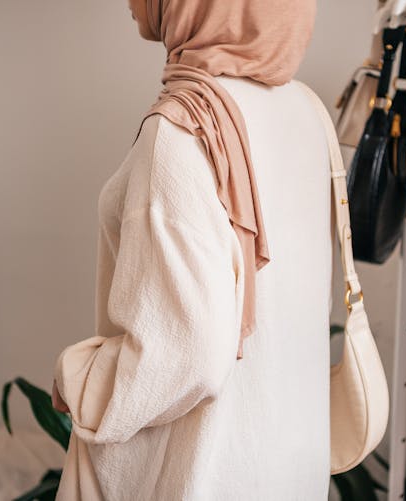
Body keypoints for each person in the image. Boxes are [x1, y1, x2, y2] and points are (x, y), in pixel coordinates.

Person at [50, 0, 334, 499]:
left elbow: (186, 355)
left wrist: (82, 381)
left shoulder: (181, 131)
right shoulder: (307, 110)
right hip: (287, 467)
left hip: (201, 475)